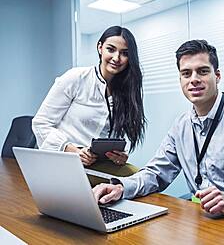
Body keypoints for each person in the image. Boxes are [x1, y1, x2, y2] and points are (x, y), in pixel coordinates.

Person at [93, 39, 224, 217]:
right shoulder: (181, 125)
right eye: (186, 73)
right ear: (180, 80)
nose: (193, 79)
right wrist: (120, 187)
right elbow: (155, 173)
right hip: (203, 220)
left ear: (217, 76)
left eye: (202, 71)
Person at [32, 26, 146, 181]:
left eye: (124, 53)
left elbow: (112, 137)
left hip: (96, 164)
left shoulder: (126, 91)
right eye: (111, 49)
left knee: (141, 179)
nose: (117, 58)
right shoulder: (76, 77)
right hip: (64, 162)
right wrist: (72, 150)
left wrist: (119, 155)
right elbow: (40, 123)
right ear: (100, 48)